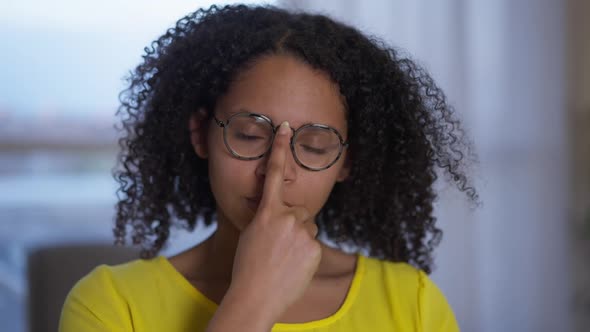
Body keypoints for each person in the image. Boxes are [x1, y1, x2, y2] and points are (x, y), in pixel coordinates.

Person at [59, 4, 478, 332]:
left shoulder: (414, 304)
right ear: (202, 134)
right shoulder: (110, 304)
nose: (278, 170)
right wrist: (253, 298)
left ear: (346, 162)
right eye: (249, 136)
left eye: (314, 146)